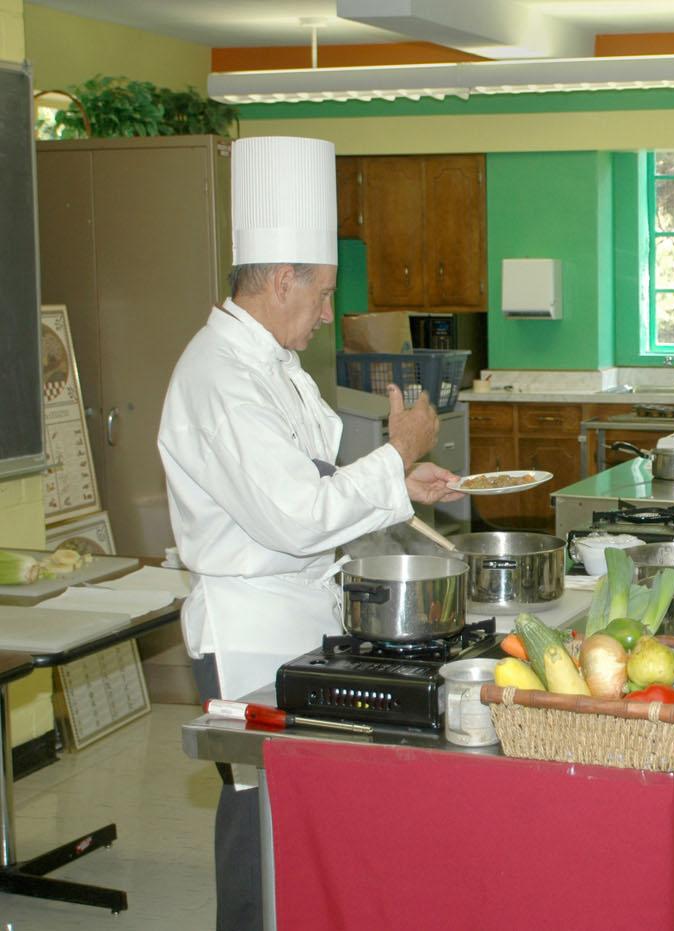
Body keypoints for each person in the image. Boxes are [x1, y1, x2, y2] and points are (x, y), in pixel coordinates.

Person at [158, 136, 462, 931]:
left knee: (307, 813)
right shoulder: (219, 374)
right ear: (283, 277)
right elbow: (294, 518)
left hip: (299, 613)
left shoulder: (272, 363)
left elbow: (315, 481)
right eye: (323, 293)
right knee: (255, 815)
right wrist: (397, 454)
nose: (329, 313)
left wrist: (397, 483)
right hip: (247, 632)